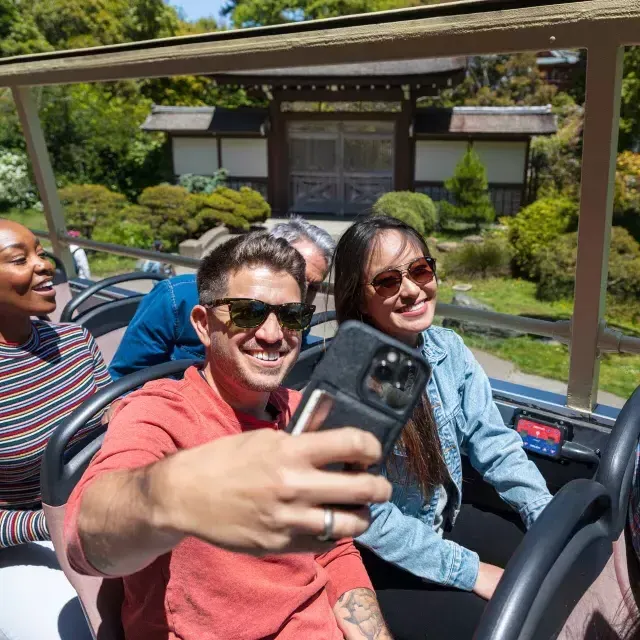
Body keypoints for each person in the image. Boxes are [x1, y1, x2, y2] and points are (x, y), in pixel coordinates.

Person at [64, 232, 393, 640]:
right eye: (248, 312)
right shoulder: (160, 411)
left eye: (291, 315)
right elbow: (86, 537)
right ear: (203, 325)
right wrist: (175, 495)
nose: (274, 334)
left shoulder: (302, 412)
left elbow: (334, 547)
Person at [332, 215, 553, 639]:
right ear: (361, 299)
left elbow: (496, 445)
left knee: (546, 567)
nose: (412, 290)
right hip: (383, 556)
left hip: (441, 518)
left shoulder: (447, 349)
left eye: (420, 270)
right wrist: (470, 571)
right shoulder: (355, 382)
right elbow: (368, 515)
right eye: (387, 281)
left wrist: (544, 514)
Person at [0, 219, 111, 639]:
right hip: (24, 540)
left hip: (100, 518)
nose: (44, 266)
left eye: (41, 252)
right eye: (20, 259)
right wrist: (53, 523)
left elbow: (113, 423)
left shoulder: (76, 341)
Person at [108, 216, 335, 379]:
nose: (300, 291)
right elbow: (126, 376)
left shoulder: (296, 315)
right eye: (293, 274)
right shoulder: (177, 297)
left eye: (311, 285)